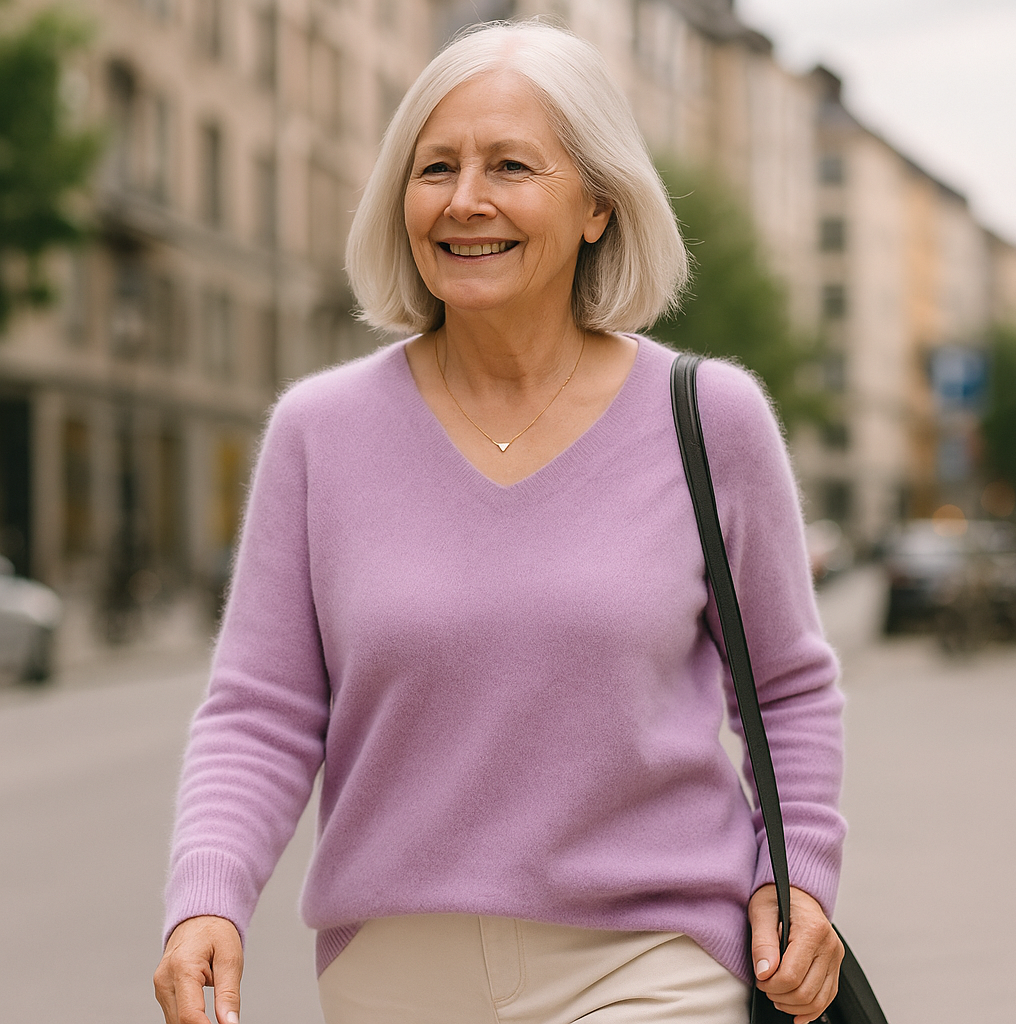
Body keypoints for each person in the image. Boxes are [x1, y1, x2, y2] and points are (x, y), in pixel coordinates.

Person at [154, 20, 845, 1024]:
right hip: (393, 974)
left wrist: (802, 877)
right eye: (435, 167)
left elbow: (783, 686)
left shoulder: (708, 418)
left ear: (599, 205)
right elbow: (259, 710)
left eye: (509, 165)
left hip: (650, 958)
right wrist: (205, 899)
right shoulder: (319, 434)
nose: (464, 198)